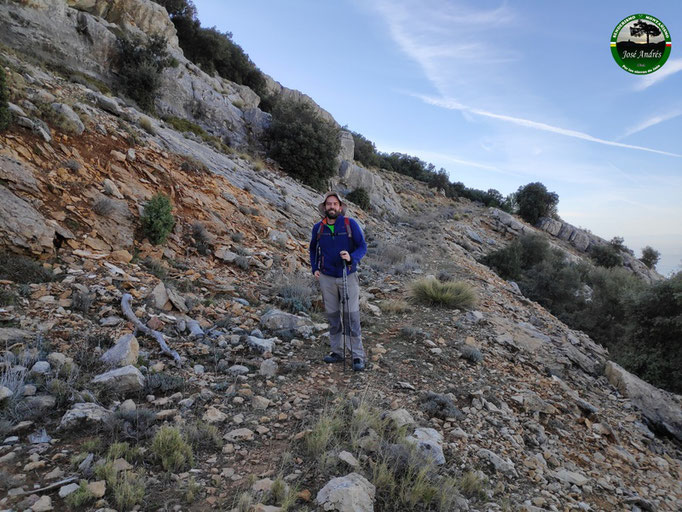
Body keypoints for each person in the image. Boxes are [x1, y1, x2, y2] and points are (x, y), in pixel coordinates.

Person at [309, 191, 368, 371]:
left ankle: (357, 355)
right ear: (325, 207)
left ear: (340, 207)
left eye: (335, 204)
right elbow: (312, 249)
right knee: (333, 316)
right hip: (326, 277)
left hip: (347, 275)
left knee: (351, 316)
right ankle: (337, 351)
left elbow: (362, 246)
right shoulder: (318, 228)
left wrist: (351, 257)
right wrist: (315, 267)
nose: (332, 207)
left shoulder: (350, 224)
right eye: (329, 204)